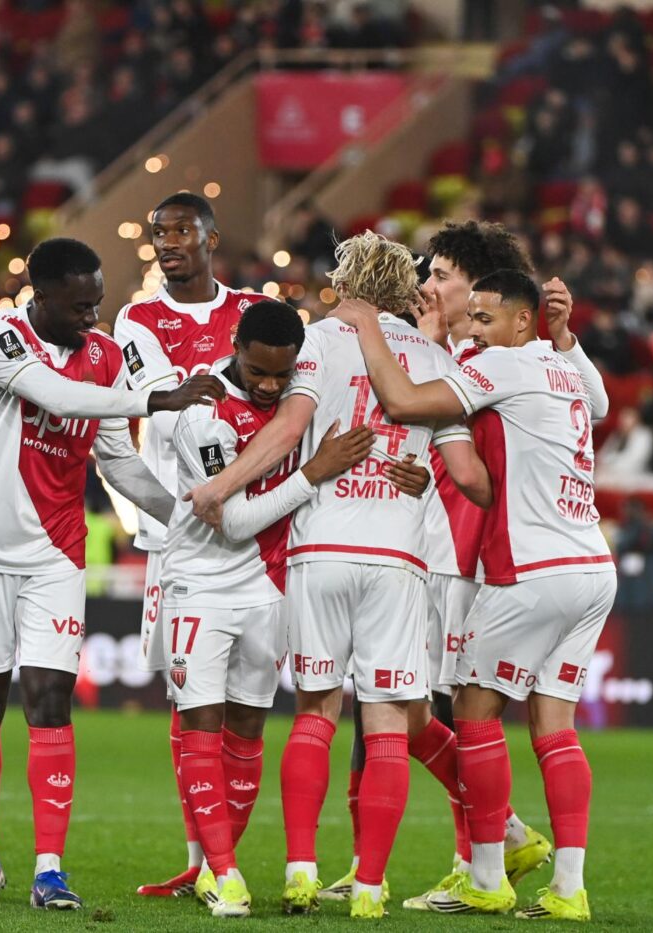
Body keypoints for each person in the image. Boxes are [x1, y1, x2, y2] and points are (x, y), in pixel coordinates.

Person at [186, 231, 491, 919]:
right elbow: (468, 475)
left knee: (316, 713)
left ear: (347, 280)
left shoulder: (318, 342)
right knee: (386, 725)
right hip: (398, 557)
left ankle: (300, 870)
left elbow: (286, 431)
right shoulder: (434, 356)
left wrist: (222, 485)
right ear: (405, 287)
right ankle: (371, 887)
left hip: (320, 547)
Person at [0, 238, 224, 910]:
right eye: (80, 305)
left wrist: (185, 516)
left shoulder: (107, 357)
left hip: (55, 554)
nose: (93, 317)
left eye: (98, 303)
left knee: (50, 700)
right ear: (41, 294)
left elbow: (116, 462)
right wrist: (157, 400)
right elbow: (55, 395)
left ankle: (50, 870)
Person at [326, 269, 613, 921]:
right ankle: (569, 890)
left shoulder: (503, 366)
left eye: (486, 318)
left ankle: (484, 874)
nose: (475, 330)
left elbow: (404, 400)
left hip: (531, 569)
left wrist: (369, 324)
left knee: (474, 712)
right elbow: (593, 405)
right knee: (554, 725)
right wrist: (564, 336)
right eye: (471, 318)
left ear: (522, 320)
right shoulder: (561, 365)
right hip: (591, 565)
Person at [161, 299, 429, 917]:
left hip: (271, 586)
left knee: (248, 730)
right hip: (202, 584)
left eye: (282, 374)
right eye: (258, 371)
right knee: (201, 723)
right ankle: (225, 873)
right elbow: (233, 522)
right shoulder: (203, 414)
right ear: (236, 347)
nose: (269, 385)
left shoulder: (300, 398)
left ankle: (215, 866)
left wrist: (422, 476)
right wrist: (313, 472)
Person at [111, 193, 255, 900]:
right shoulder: (137, 319)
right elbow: (167, 409)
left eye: (180, 230)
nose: (167, 242)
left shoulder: (255, 309)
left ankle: (225, 859)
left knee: (247, 702)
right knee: (185, 696)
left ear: (210, 237)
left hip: (256, 530)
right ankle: (200, 858)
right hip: (178, 537)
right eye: (158, 232)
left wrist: (216, 393)